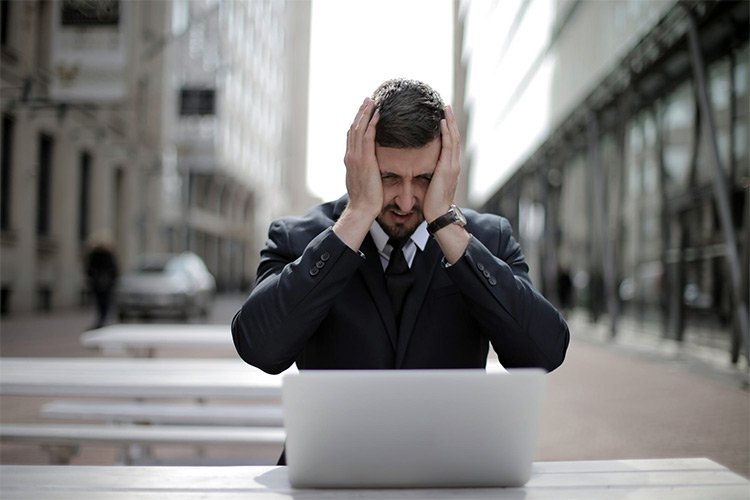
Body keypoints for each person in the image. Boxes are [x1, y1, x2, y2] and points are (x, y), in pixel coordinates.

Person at [232, 79, 570, 461]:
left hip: (449, 478)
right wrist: (357, 215)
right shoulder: (297, 238)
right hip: (328, 478)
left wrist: (445, 225)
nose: (407, 200)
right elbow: (260, 349)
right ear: (358, 163)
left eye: (424, 179)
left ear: (447, 166)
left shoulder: (486, 239)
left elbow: (544, 352)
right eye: (389, 177)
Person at [85, 233, 119, 329]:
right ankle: (105, 318)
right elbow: (114, 270)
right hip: (107, 283)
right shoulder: (109, 254)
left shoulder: (93, 254)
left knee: (100, 301)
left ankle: (101, 318)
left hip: (96, 283)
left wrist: (92, 279)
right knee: (106, 301)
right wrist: (113, 281)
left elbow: (89, 269)